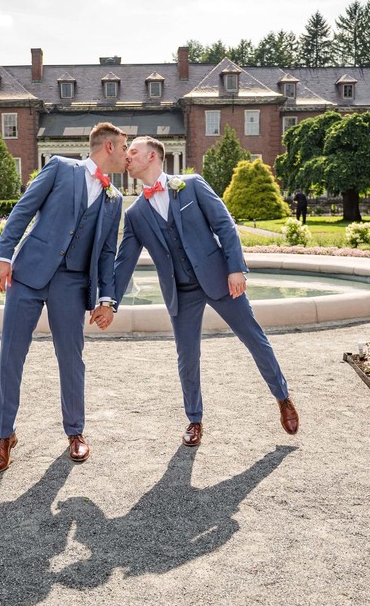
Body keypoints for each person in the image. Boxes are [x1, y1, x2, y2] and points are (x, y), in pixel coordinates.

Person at [113, 136, 298, 447]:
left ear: (153, 156)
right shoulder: (134, 214)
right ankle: (194, 420)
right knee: (187, 357)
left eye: (133, 152)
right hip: (181, 292)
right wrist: (108, 302)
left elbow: (224, 225)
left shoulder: (192, 185)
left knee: (254, 338)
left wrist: (236, 268)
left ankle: (283, 398)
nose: (127, 158)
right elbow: (123, 263)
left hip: (219, 280)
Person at [0, 122, 126, 472]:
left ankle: (76, 433)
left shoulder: (115, 199)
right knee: (11, 355)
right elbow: (23, 209)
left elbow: (108, 252)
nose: (128, 156)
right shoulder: (61, 167)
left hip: (72, 284)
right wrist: (3, 256)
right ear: (109, 147)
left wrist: (106, 299)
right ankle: (4, 436)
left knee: (71, 358)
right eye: (124, 148)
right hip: (29, 274)